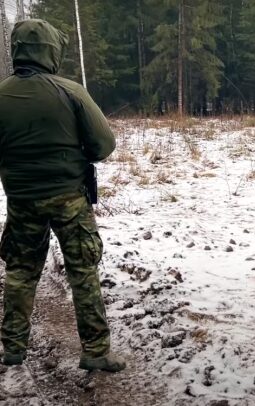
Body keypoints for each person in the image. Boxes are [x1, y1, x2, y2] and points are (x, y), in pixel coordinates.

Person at [0, 19, 125, 372]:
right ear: (53, 50)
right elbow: (104, 145)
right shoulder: (70, 91)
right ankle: (96, 351)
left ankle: (13, 347)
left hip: (22, 200)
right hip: (69, 198)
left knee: (21, 271)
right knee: (83, 271)